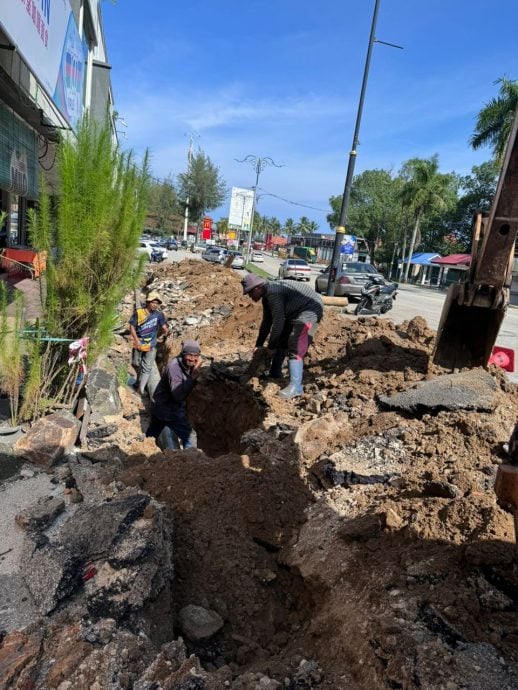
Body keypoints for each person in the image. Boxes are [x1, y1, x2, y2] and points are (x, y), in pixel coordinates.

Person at [241, 273, 323, 399]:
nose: (250, 297)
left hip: (310, 310)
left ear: (257, 288)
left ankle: (296, 387)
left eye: (250, 293)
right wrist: (258, 344)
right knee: (282, 337)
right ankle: (275, 373)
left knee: (295, 343)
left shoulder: (273, 292)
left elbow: (278, 322)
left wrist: (271, 347)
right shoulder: (266, 297)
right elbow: (267, 322)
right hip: (294, 313)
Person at [146, 339, 203, 450]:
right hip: (168, 407)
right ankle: (190, 461)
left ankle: (146, 445)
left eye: (196, 355)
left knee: (154, 431)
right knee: (189, 436)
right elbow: (178, 396)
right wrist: (193, 377)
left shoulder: (187, 364)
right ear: (183, 354)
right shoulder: (174, 368)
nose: (192, 358)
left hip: (160, 404)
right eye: (189, 355)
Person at [129, 291, 169, 395]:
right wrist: (136, 340)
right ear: (148, 302)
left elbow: (164, 326)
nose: (155, 305)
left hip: (151, 345)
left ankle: (141, 389)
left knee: (147, 367)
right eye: (153, 302)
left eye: (157, 303)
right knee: (136, 364)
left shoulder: (159, 315)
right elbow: (132, 326)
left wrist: (165, 330)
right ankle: (138, 381)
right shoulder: (139, 313)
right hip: (139, 343)